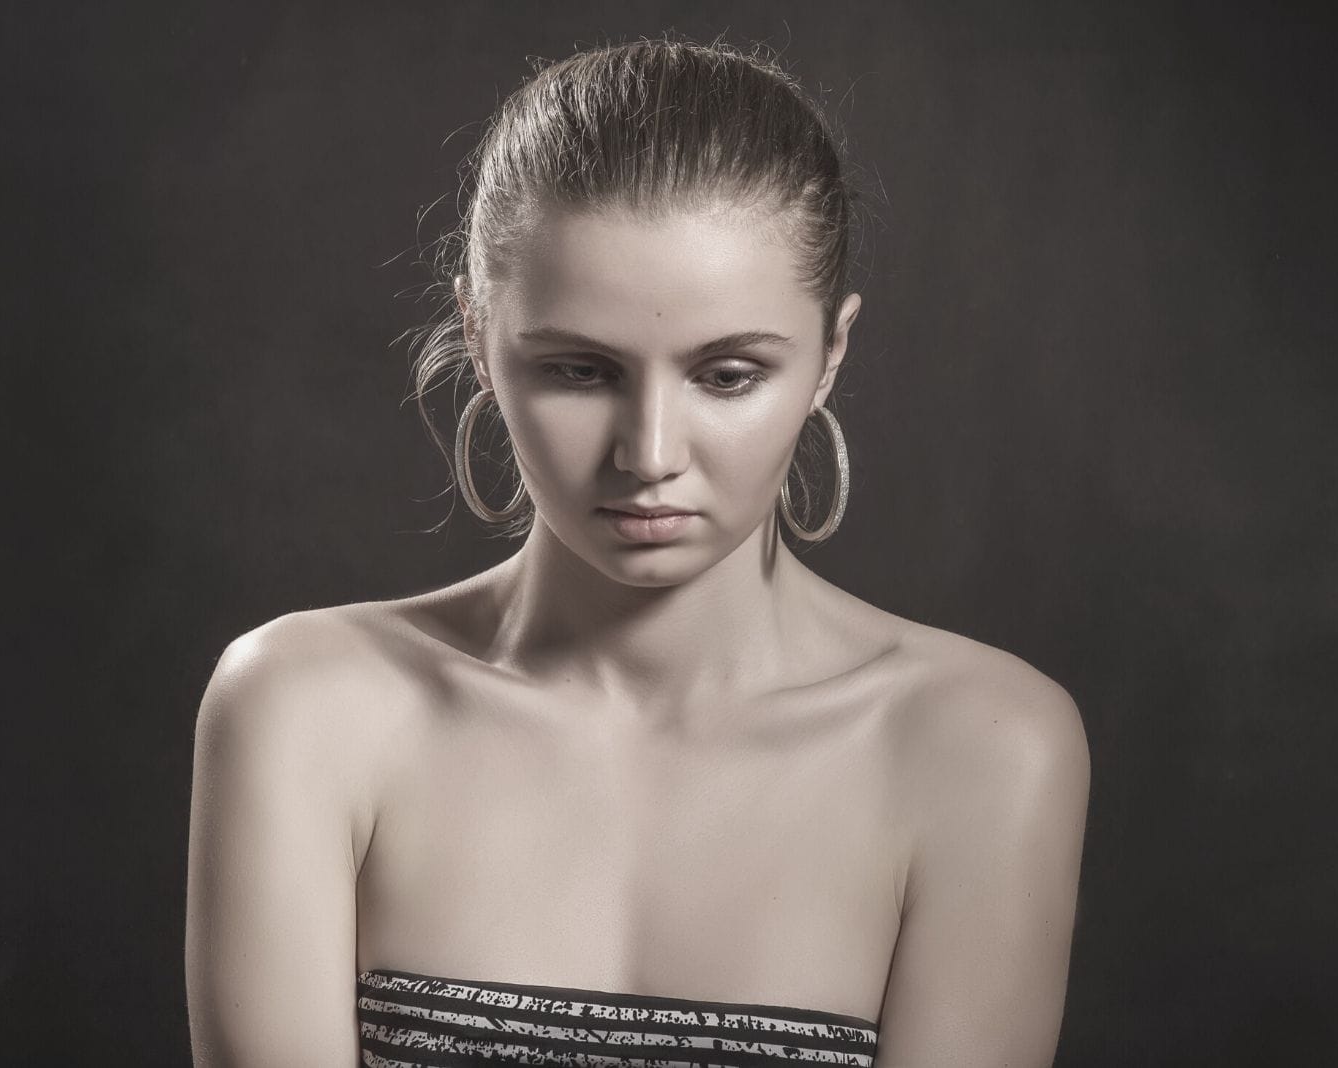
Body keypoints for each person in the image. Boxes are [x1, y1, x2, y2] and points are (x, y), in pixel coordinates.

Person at [185, 34, 1089, 1068]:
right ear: (479, 339)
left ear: (830, 354)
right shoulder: (306, 710)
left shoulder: (981, 747)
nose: (649, 455)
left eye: (728, 375)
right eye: (580, 371)